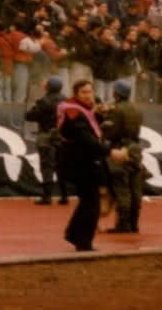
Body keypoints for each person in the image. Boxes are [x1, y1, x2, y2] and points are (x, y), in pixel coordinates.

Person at [58, 79, 124, 252]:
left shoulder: (78, 109)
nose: (88, 96)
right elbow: (86, 138)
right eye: (84, 92)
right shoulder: (74, 111)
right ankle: (83, 242)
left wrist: (99, 114)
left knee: (88, 201)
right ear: (76, 94)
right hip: (80, 163)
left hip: (82, 161)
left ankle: (74, 234)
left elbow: (90, 128)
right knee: (92, 203)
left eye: (90, 92)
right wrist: (110, 152)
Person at [101, 78, 144, 234]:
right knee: (135, 189)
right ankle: (134, 223)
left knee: (122, 188)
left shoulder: (115, 110)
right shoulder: (136, 109)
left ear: (116, 93)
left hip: (120, 149)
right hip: (135, 150)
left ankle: (123, 224)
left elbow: (110, 133)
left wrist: (103, 120)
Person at [25, 77, 68, 206]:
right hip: (62, 135)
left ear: (48, 87)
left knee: (46, 165)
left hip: (46, 135)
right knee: (61, 166)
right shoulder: (66, 100)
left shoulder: (43, 101)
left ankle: (47, 196)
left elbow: (30, 116)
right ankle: (64, 196)